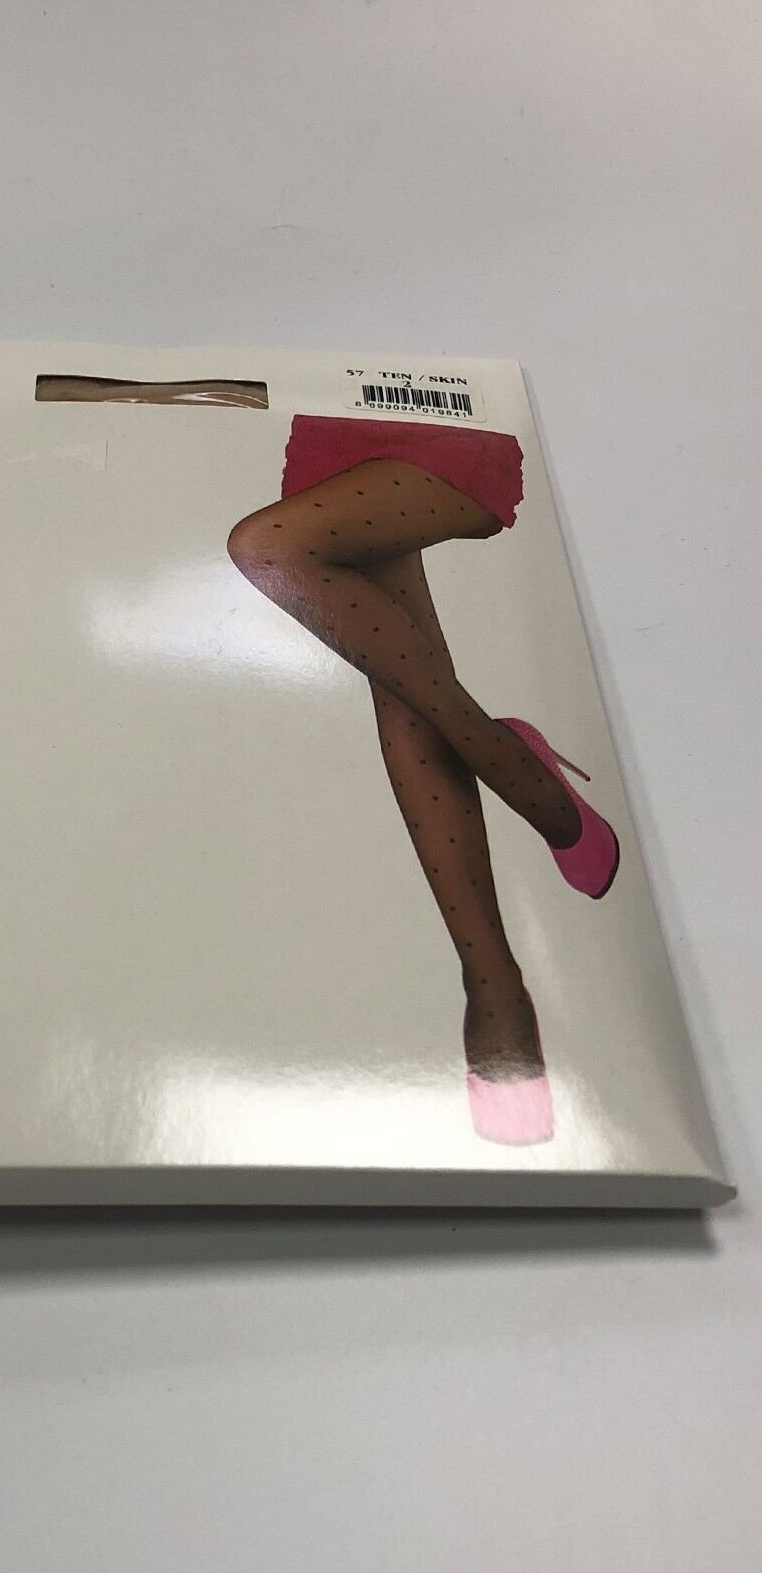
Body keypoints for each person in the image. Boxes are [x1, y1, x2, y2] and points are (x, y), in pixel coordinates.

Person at [226, 414, 619, 1144]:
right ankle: (494, 984)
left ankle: (512, 768)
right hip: (331, 432)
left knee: (267, 545)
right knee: (405, 686)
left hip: (447, 421)